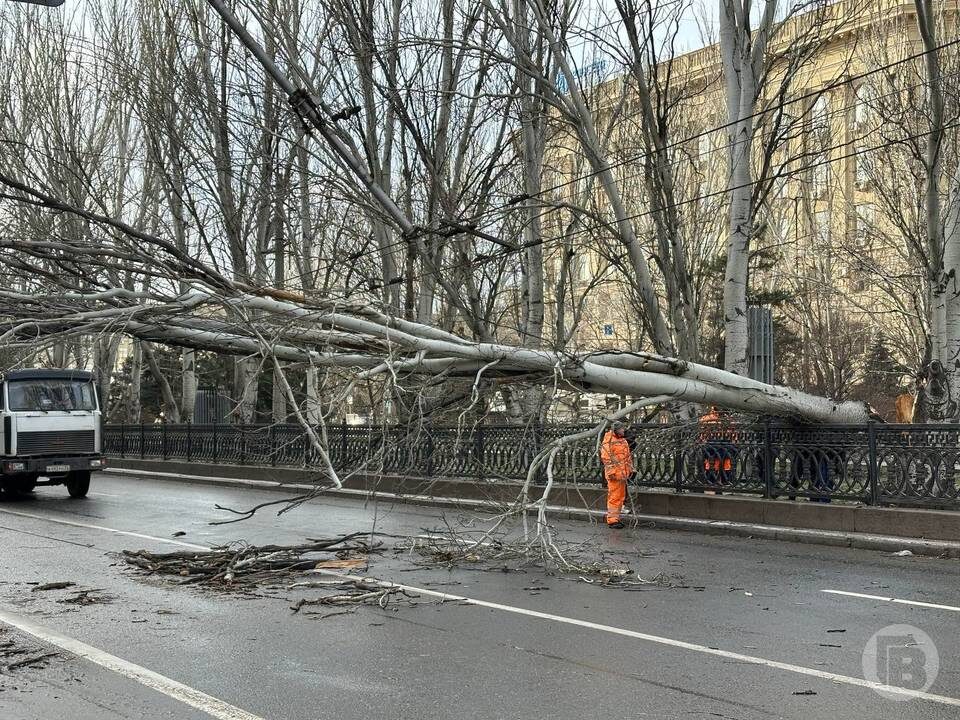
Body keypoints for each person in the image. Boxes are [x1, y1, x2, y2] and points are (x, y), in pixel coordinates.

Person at [600, 422, 633, 529]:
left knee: (620, 497)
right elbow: (606, 458)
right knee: (615, 497)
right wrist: (611, 473)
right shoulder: (609, 441)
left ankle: (616, 518)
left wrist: (630, 470)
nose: (624, 431)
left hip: (622, 474)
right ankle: (612, 520)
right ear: (616, 430)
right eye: (622, 429)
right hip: (615, 475)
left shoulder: (622, 440)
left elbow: (627, 457)